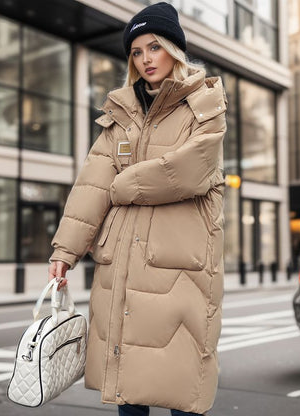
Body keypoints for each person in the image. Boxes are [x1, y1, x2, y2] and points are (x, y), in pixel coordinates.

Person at [48, 2, 227, 415]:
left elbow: (188, 172)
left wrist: (123, 184)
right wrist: (65, 251)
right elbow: (91, 187)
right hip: (123, 266)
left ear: (174, 49)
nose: (146, 58)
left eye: (154, 47)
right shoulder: (120, 113)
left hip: (180, 268)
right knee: (129, 388)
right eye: (137, 51)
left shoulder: (205, 105)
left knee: (182, 386)